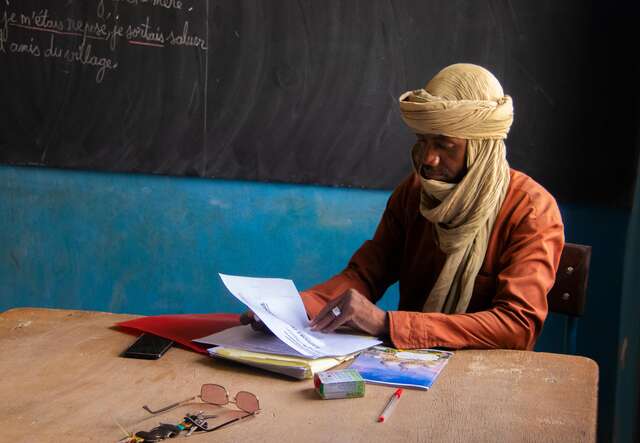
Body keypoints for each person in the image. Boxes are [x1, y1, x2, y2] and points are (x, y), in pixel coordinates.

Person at [243, 63, 564, 350]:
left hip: (487, 381)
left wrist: (387, 324)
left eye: (444, 145)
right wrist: (291, 308)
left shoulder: (531, 210)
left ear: (481, 148)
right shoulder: (413, 194)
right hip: (411, 365)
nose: (428, 159)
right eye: (422, 141)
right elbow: (366, 274)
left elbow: (517, 326)